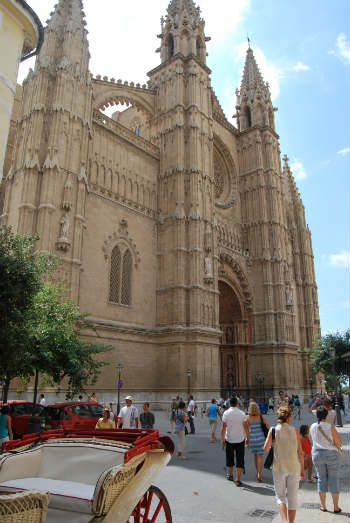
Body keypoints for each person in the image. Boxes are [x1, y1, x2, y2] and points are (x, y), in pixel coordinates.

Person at [264, 406, 304, 523]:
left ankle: (284, 521)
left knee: (280, 497)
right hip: (294, 467)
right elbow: (300, 452)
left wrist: (274, 444)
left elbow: (266, 449)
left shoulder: (273, 430)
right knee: (293, 498)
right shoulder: (295, 431)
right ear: (289, 418)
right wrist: (302, 469)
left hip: (279, 468)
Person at [310, 406, 343, 514]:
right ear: (326, 415)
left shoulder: (312, 426)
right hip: (331, 454)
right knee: (333, 479)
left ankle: (323, 506)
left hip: (317, 454)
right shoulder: (330, 426)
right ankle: (336, 507)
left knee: (321, 479)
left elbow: (312, 440)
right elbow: (338, 442)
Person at [221, 396, 249, 486]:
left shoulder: (226, 413)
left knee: (229, 457)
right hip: (240, 439)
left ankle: (230, 475)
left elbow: (223, 427)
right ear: (237, 403)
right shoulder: (242, 413)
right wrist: (248, 437)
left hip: (229, 439)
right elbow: (246, 426)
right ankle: (238, 479)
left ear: (229, 403)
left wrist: (222, 439)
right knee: (240, 459)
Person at [246, 402, 269, 482]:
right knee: (260, 456)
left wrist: (247, 440)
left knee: (255, 456)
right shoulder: (260, 416)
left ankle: (257, 471)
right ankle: (259, 473)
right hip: (260, 438)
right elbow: (267, 426)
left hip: (252, 438)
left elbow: (247, 431)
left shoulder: (247, 418)